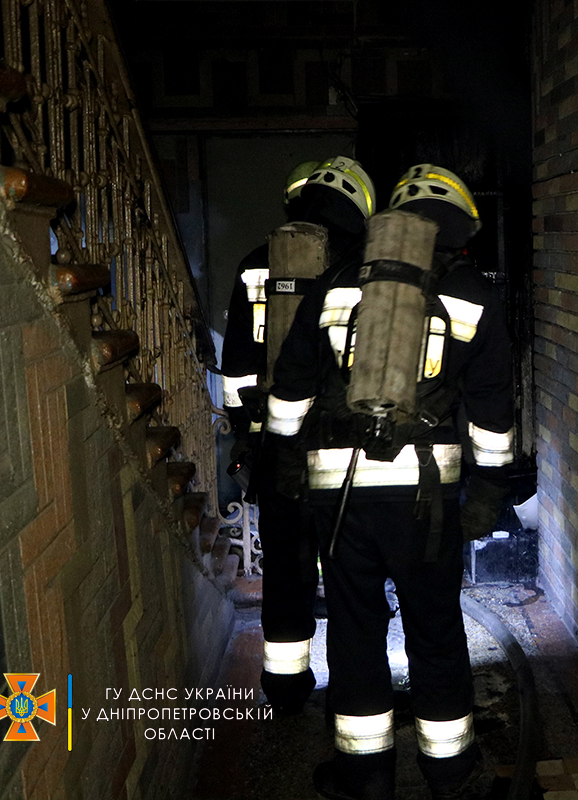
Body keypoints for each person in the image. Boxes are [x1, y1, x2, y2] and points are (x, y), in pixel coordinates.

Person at [264, 164, 514, 800]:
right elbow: (491, 413)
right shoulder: (474, 297)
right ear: (458, 232)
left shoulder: (334, 285)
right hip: (427, 501)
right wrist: (488, 491)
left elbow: (289, 387)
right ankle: (451, 776)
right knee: (434, 630)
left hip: (338, 493)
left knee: (353, 630)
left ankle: (364, 777)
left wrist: (286, 463)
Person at [219, 156, 376, 715]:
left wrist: (248, 433)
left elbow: (236, 368)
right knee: (351, 572)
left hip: (274, 451)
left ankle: (285, 689)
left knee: (285, 573)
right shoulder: (364, 270)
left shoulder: (253, 268)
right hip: (346, 455)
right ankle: (357, 688)